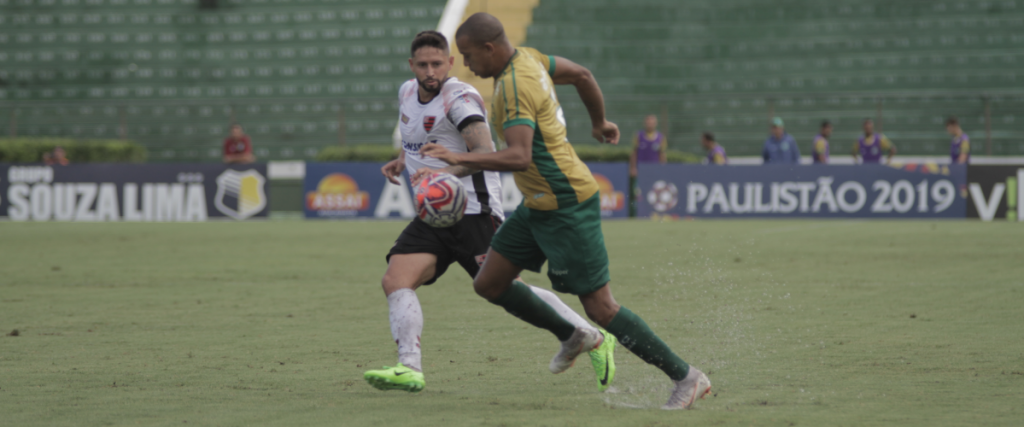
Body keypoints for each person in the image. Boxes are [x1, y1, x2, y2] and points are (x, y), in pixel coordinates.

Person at [422, 13, 710, 410]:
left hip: (566, 203)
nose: (467, 65)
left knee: (601, 308)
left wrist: (457, 156)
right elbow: (583, 75)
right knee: (489, 283)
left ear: (489, 49)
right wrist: (600, 122)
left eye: (469, 56)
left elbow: (520, 156)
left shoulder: (514, 86)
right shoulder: (531, 58)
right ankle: (573, 335)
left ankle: (687, 376)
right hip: (537, 205)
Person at [363, 31, 614, 394]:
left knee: (507, 290)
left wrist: (444, 175)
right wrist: (403, 159)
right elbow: (416, 133)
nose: (431, 71)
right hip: (432, 216)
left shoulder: (460, 98)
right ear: (411, 66)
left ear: (450, 63)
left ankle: (592, 335)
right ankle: (409, 367)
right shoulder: (406, 92)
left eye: (438, 63)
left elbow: (483, 150)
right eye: (423, 64)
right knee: (395, 280)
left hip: (474, 212)